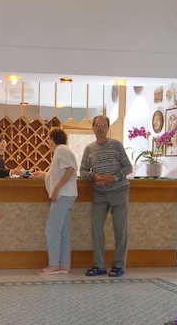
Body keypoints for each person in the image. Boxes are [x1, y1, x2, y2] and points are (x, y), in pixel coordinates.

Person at [80, 115, 132, 277]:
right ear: (93, 127)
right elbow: (82, 171)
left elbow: (128, 167)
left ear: (108, 128)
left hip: (119, 191)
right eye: (97, 125)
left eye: (103, 125)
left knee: (120, 229)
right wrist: (93, 176)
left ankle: (118, 265)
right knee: (96, 228)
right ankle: (99, 265)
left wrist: (113, 177)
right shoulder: (89, 149)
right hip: (100, 193)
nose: (100, 128)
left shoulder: (116, 145)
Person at [32, 128, 77, 274]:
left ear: (53, 138)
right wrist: (44, 174)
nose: (48, 142)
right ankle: (64, 264)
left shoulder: (61, 150)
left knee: (52, 229)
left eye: (48, 138)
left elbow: (70, 170)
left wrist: (57, 188)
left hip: (63, 195)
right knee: (63, 231)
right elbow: (60, 172)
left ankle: (54, 264)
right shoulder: (63, 150)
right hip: (67, 195)